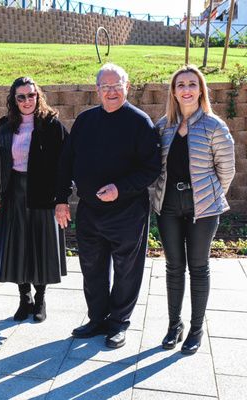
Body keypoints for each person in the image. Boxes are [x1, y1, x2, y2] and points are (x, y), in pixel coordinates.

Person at [55, 63, 161, 349]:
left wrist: (120, 188)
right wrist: (61, 199)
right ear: (97, 89)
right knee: (92, 267)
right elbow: (66, 163)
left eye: (117, 86)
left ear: (127, 87)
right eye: (106, 87)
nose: (111, 92)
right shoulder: (85, 121)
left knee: (127, 268)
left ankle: (118, 323)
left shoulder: (140, 123)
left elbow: (151, 169)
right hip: (89, 209)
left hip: (127, 211)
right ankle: (97, 318)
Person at [152, 65, 235, 355]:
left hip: (204, 208)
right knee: (174, 267)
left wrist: (210, 198)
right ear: (173, 92)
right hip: (169, 207)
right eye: (180, 85)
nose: (186, 89)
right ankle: (174, 325)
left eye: (192, 84)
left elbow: (226, 170)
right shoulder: (163, 126)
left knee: (198, 267)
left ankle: (196, 328)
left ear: (201, 90)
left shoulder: (214, 126)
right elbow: (156, 167)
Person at [0, 76, 67, 323]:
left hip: (43, 194)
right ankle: (25, 299)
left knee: (41, 247)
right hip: (14, 193)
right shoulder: (5, 127)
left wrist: (62, 198)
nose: (27, 100)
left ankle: (40, 300)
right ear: (14, 100)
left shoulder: (52, 125)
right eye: (21, 96)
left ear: (38, 96)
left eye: (31, 95)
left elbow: (66, 164)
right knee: (18, 246)